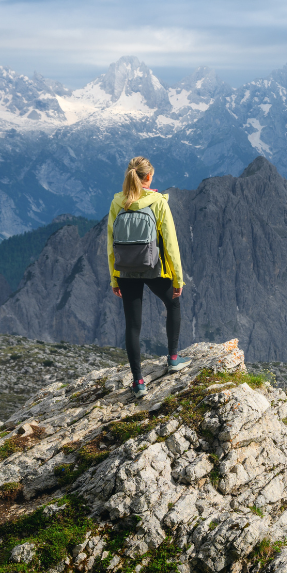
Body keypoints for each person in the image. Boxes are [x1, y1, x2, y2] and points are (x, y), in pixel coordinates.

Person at [107, 156, 189, 397]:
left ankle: (138, 382)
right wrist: (178, 278)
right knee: (173, 303)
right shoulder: (158, 202)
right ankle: (173, 358)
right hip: (154, 267)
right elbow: (170, 244)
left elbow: (111, 244)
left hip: (125, 270)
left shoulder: (117, 203)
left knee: (133, 325)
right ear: (149, 177)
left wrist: (114, 277)